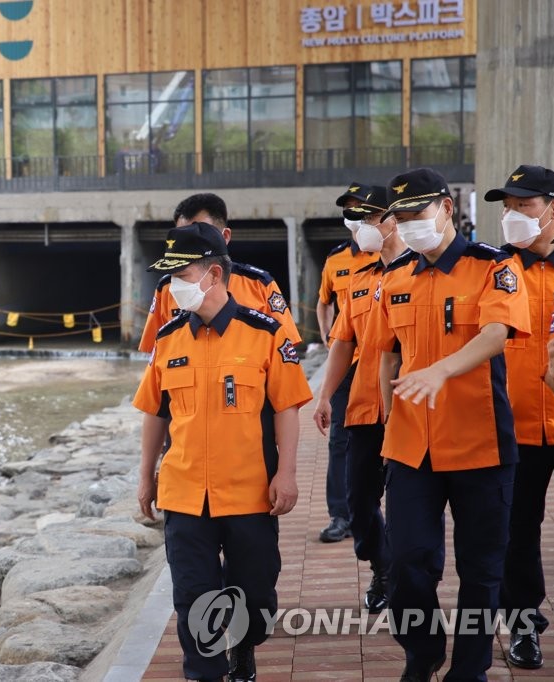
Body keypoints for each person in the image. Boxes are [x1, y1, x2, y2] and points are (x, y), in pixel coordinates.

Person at [367, 167, 530, 681]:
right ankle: (423, 650)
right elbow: (386, 355)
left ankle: (470, 669)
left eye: (419, 213)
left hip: (480, 442)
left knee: (481, 570)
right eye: (403, 218)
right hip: (412, 445)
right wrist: (388, 415)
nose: (412, 225)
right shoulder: (393, 279)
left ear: (446, 208)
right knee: (408, 563)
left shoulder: (493, 267)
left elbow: (497, 332)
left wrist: (439, 370)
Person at [134, 223, 311, 682]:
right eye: (169, 275)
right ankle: (204, 672)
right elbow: (155, 412)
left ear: (213, 275)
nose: (173, 286)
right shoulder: (168, 339)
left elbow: (287, 408)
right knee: (193, 594)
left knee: (253, 593)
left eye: (182, 274)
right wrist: (145, 476)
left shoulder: (265, 334)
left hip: (249, 490)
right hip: (184, 491)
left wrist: (286, 473)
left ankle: (245, 646)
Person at [312, 186, 403, 612]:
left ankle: (405, 581)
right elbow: (342, 343)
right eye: (360, 220)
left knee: (409, 507)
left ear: (394, 220)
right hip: (364, 406)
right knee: (359, 502)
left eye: (371, 218)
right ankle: (381, 564)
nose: (363, 226)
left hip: (412, 413)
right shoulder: (360, 282)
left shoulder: (421, 275)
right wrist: (325, 396)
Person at [487, 165, 554, 670]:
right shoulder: (494, 271)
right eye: (507, 207)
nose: (512, 216)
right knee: (516, 532)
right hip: (513, 425)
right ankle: (524, 626)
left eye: (524, 205)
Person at [139, 193, 300, 353]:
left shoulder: (259, 284)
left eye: (201, 234)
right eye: (182, 237)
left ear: (225, 236)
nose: (188, 245)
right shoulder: (167, 288)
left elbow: (285, 350)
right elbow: (155, 354)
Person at [315, 182, 380, 543]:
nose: (356, 218)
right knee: (340, 439)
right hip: (348, 362)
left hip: (387, 363)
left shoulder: (397, 258)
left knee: (386, 437)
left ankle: (377, 509)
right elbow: (323, 301)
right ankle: (340, 514)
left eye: (363, 211)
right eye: (350, 211)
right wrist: (328, 337)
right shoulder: (336, 261)